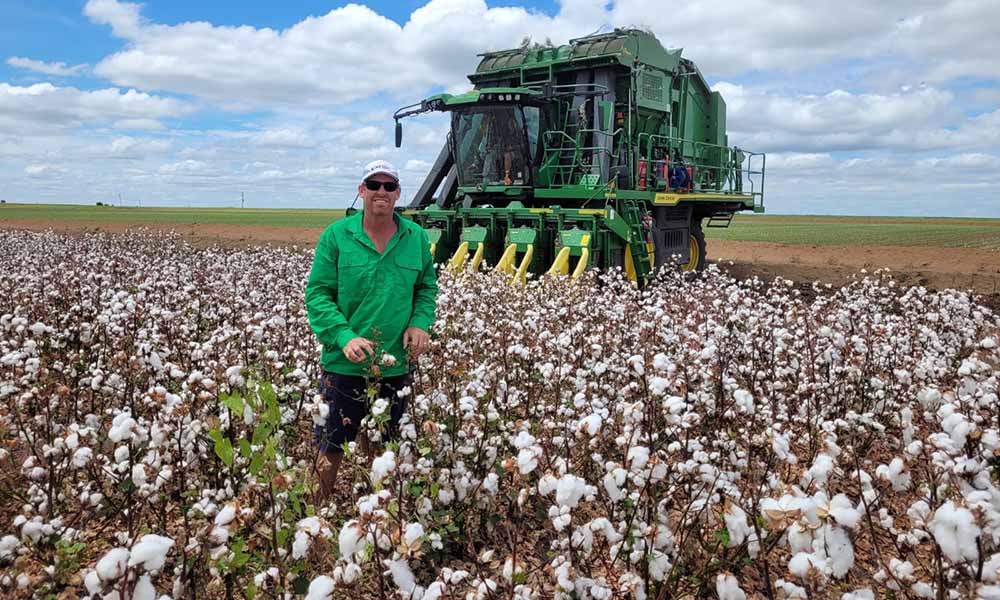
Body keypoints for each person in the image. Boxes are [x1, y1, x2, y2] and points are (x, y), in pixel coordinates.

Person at [305, 159, 438, 505]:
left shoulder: (416, 238)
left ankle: (379, 514)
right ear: (361, 190)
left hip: (396, 364)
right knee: (331, 444)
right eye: (374, 185)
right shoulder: (336, 236)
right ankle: (314, 518)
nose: (381, 192)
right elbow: (318, 294)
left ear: (397, 194)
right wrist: (343, 335)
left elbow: (426, 288)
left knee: (386, 444)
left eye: (389, 186)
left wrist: (419, 323)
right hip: (343, 364)